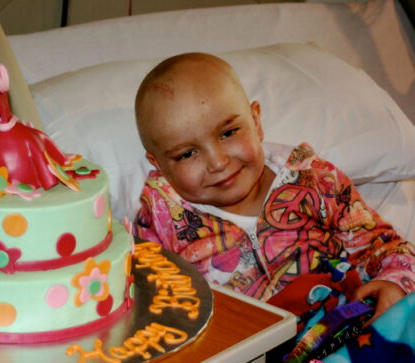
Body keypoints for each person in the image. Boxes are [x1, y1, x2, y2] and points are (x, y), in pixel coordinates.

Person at [133, 52, 415, 328]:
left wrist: (394, 282)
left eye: (228, 133)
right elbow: (147, 308)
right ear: (158, 164)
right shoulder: (161, 222)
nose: (218, 162)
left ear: (256, 122)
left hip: (353, 334)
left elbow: (386, 246)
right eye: (187, 154)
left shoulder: (314, 181)